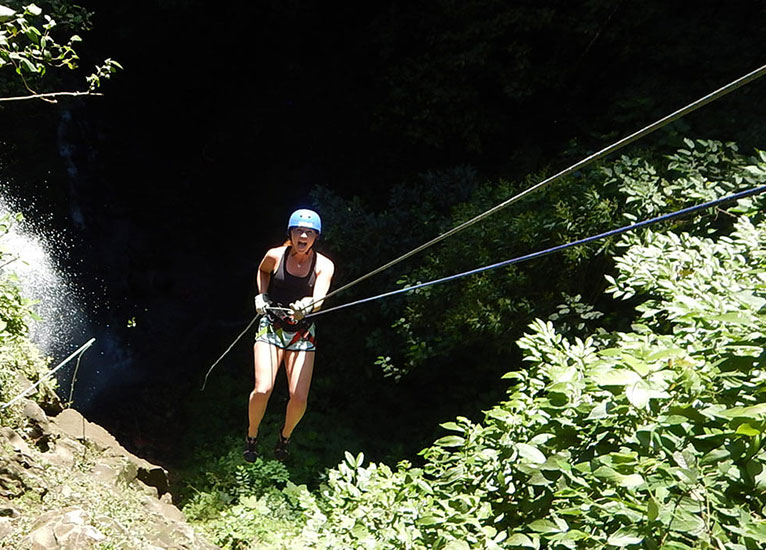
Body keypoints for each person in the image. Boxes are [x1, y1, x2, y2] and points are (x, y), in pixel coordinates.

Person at [244, 208, 335, 462]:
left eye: (308, 232)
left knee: (299, 396)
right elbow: (263, 271)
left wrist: (308, 305)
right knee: (263, 388)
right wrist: (262, 295)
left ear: (316, 237)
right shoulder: (275, 255)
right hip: (271, 326)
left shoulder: (324, 265)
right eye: (298, 231)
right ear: (291, 233)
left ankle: (284, 436)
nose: (303, 236)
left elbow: (320, 296)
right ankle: (252, 435)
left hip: (302, 332)